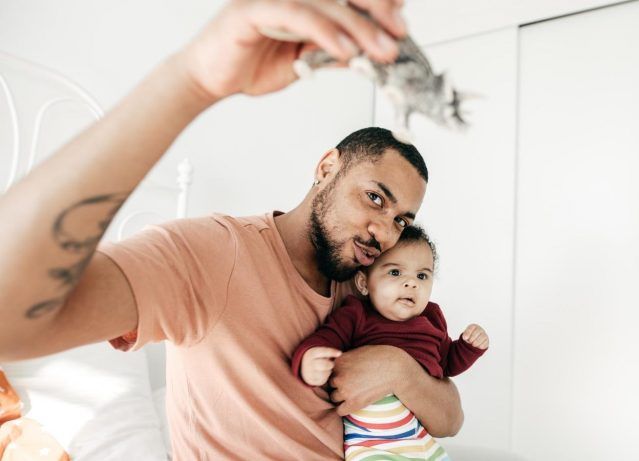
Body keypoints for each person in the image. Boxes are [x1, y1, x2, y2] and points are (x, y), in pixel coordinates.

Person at [0, 1, 464, 459]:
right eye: (375, 198)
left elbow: (450, 417)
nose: (384, 232)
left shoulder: (367, 283)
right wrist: (191, 82)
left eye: (401, 220)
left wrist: (398, 369)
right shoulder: (213, 253)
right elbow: (10, 317)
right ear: (327, 168)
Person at [292, 225, 489, 460]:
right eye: (395, 273)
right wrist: (309, 358)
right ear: (364, 283)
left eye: (422, 276)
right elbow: (326, 338)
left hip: (418, 439)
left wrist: (468, 347)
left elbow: (447, 363)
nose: (411, 283)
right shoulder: (356, 314)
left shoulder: (432, 318)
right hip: (372, 441)